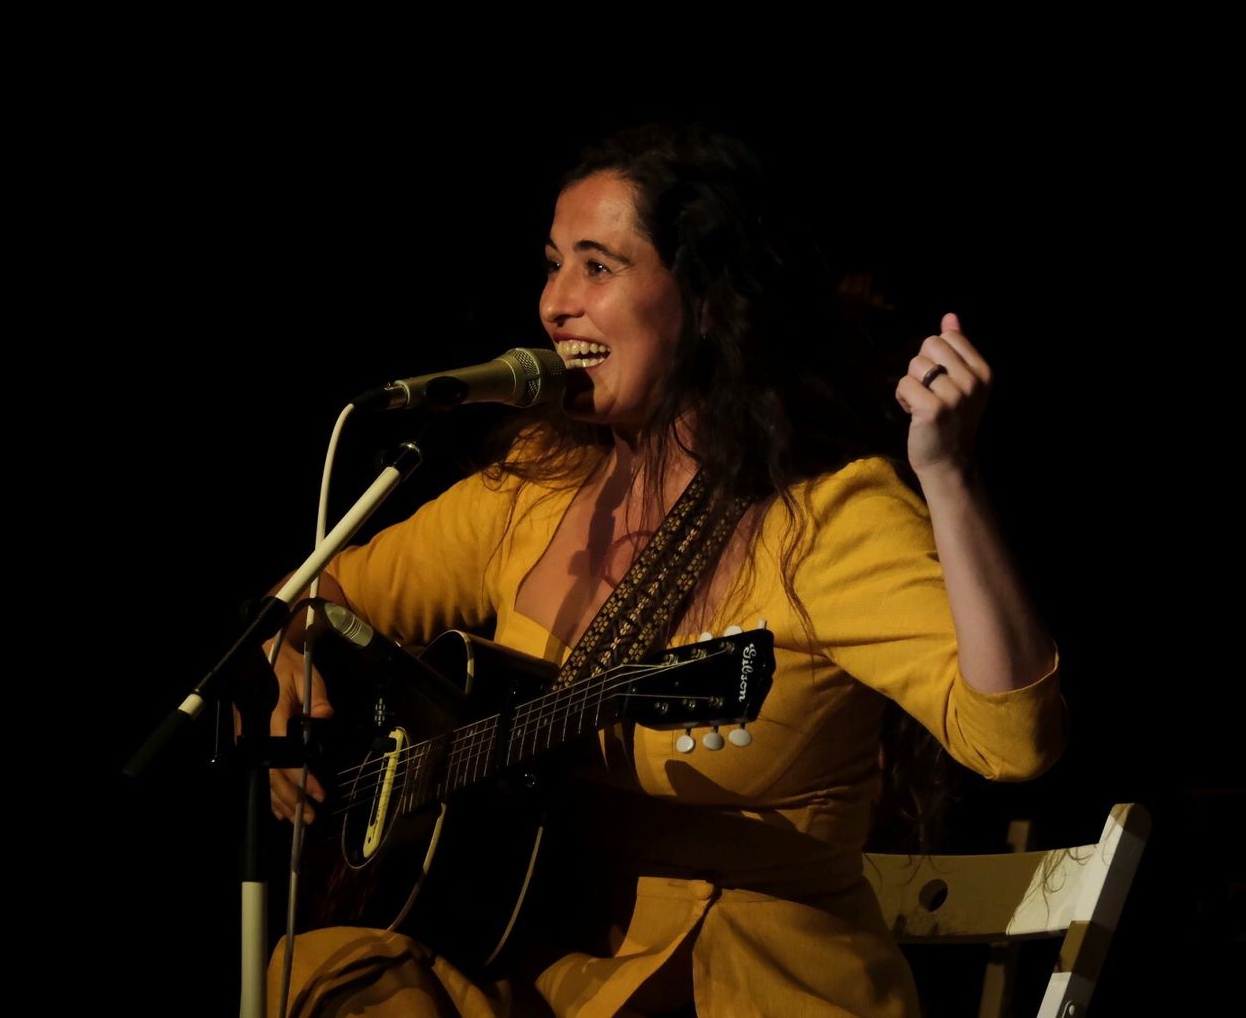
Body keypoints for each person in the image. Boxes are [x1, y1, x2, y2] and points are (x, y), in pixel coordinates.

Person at [255, 123, 1066, 1017]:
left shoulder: (826, 518)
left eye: (597, 267)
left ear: (709, 302)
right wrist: (296, 676)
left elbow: (1015, 737)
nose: (555, 303)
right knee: (325, 970)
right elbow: (318, 600)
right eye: (554, 263)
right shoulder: (533, 481)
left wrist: (949, 478)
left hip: (747, 977)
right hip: (532, 948)